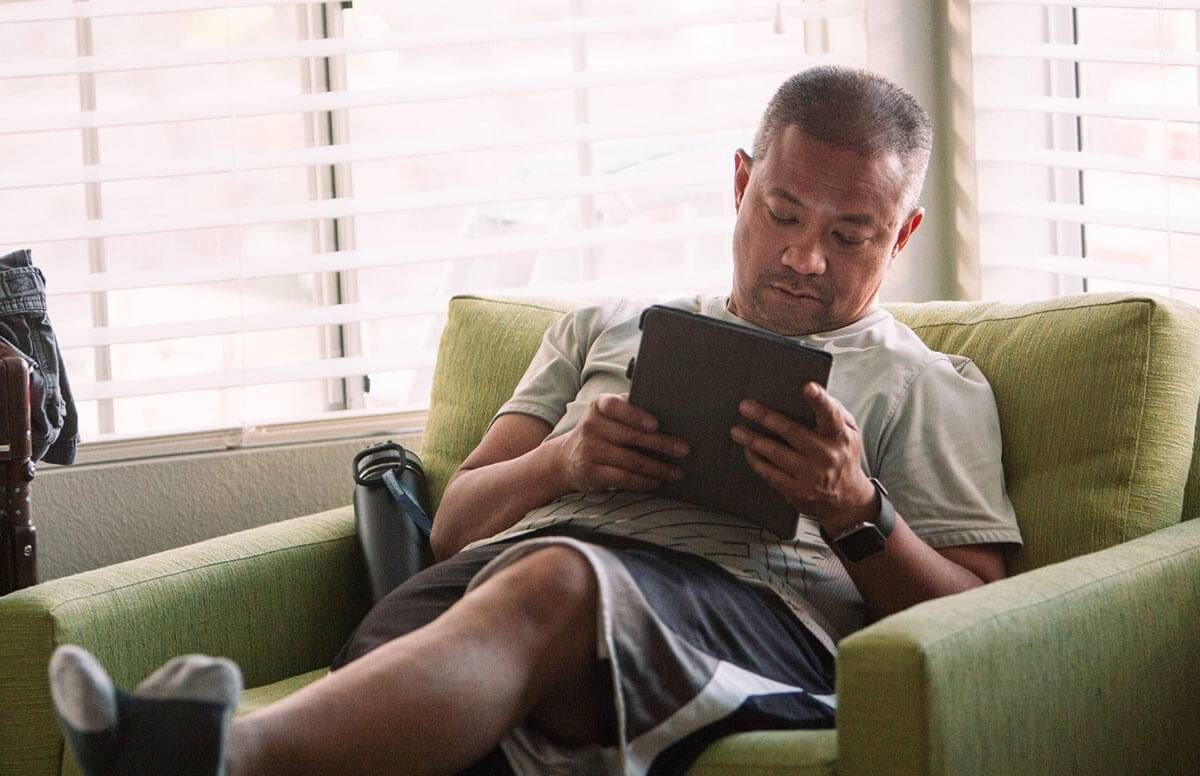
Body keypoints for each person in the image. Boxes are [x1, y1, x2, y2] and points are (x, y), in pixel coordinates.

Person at [47, 66, 1022, 776]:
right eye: (784, 213)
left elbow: (977, 614)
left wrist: (857, 508)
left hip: (744, 621)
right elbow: (454, 523)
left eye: (850, 233)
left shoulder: (929, 384)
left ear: (901, 234)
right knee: (509, 612)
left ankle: (210, 751)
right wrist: (562, 464)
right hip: (495, 589)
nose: (806, 257)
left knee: (556, 578)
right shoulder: (604, 325)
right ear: (739, 184)